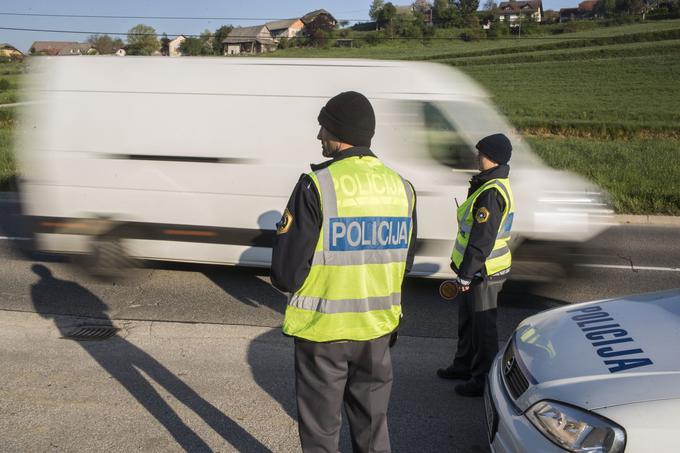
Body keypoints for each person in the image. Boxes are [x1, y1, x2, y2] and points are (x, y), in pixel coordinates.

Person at [271, 91, 417, 453]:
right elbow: (405, 262)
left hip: (325, 331)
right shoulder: (403, 188)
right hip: (378, 330)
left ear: (338, 132)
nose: (319, 135)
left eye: (323, 126)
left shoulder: (316, 184)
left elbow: (286, 274)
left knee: (321, 432)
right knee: (372, 428)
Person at [437, 133, 515, 398]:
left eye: (480, 152)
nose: (477, 156)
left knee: (483, 328)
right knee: (468, 321)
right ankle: (463, 366)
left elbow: (482, 239)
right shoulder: (486, 184)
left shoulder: (492, 193)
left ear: (492, 157)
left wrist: (467, 274)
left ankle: (481, 380)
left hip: (485, 271)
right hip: (476, 269)